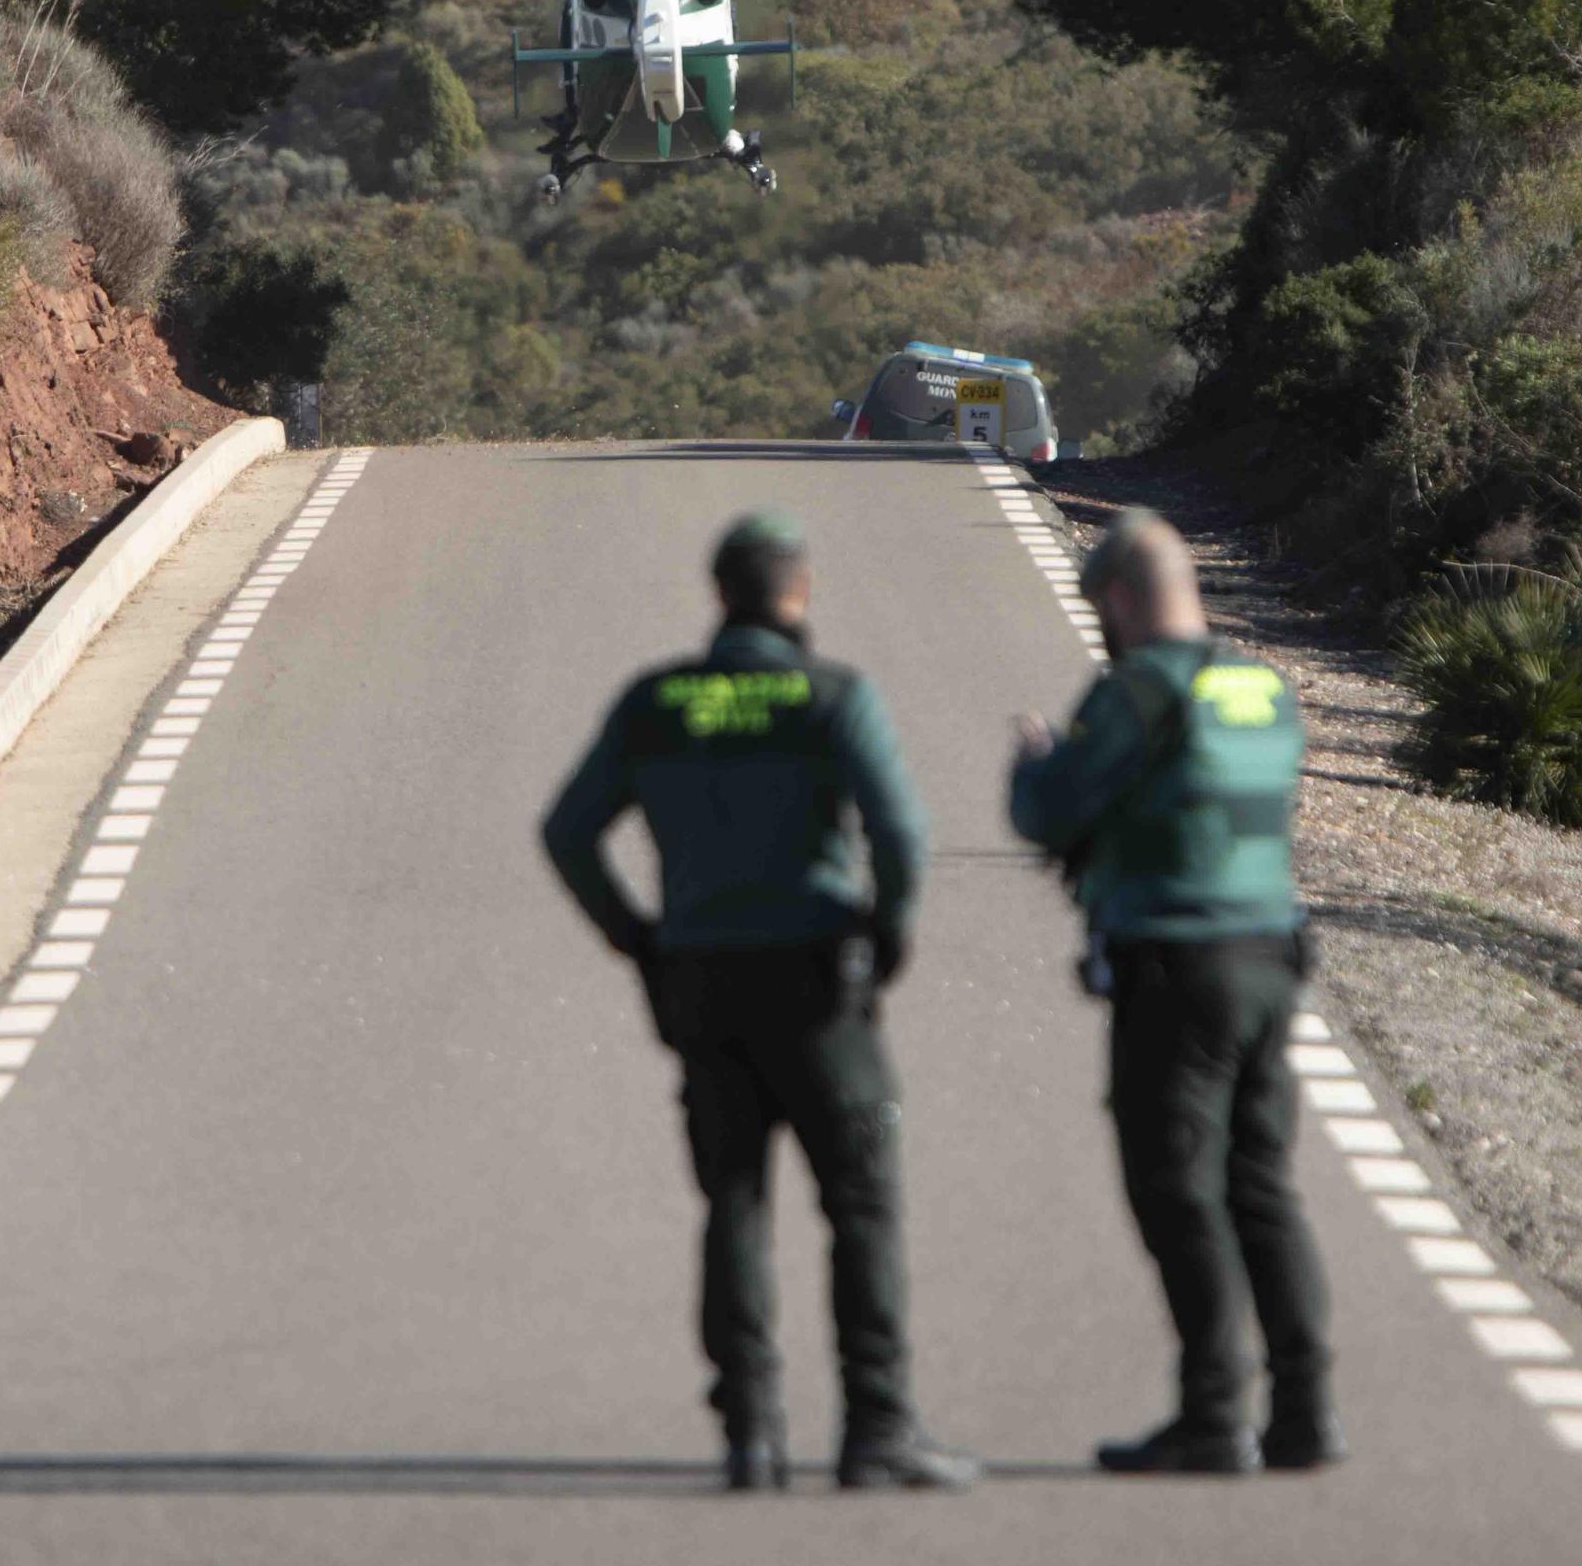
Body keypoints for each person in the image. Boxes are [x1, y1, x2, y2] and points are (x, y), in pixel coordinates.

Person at [541, 511, 977, 1493]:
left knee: (732, 1199)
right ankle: (878, 1427)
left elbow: (568, 831)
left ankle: (751, 1429)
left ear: (718, 595)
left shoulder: (656, 701)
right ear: (799, 595)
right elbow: (902, 834)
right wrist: (889, 933)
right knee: (860, 1201)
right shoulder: (831, 696)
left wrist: (640, 936)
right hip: (819, 978)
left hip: (703, 979)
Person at [1008, 508, 1342, 1476]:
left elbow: (1050, 809)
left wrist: (1038, 764)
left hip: (1174, 964)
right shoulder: (1264, 685)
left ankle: (1210, 1412)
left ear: (1116, 599)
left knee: (1174, 1185)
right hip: (1272, 954)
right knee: (1262, 1184)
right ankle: (1305, 1408)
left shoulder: (1139, 687)